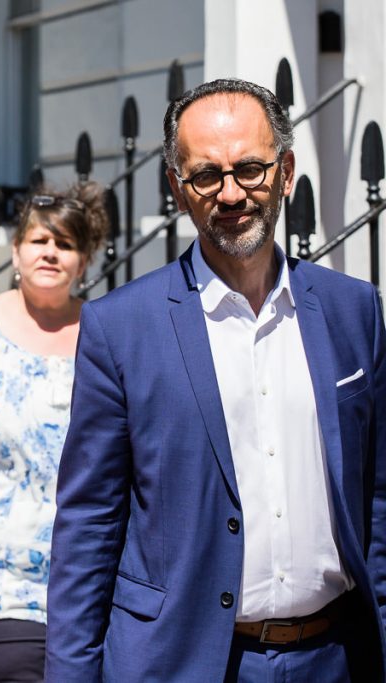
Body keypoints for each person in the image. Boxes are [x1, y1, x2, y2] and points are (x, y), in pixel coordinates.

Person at [44, 78, 386, 682]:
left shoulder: (353, 311)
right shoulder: (120, 327)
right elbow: (89, 524)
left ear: (286, 174)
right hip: (181, 661)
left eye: (250, 168)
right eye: (206, 175)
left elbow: (377, 496)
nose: (231, 193)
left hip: (336, 659)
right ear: (178, 190)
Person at [0, 183, 107, 681]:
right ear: (15, 249)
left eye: (66, 243)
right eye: (38, 240)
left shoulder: (106, 336)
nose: (50, 252)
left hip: (82, 585)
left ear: (86, 259)